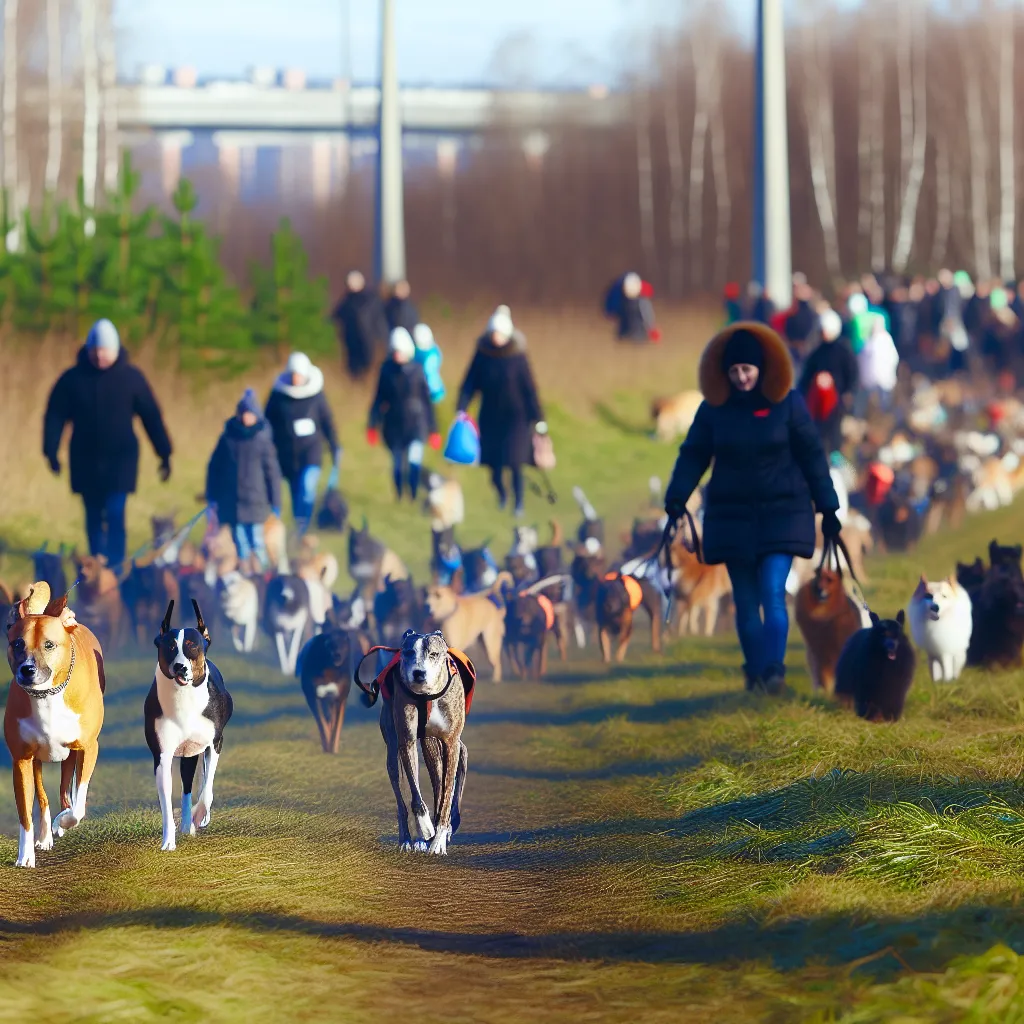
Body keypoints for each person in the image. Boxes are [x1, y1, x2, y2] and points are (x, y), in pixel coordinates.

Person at [664, 323, 840, 694]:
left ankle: (774, 670)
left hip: (783, 514)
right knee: (744, 601)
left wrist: (828, 506)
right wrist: (677, 497)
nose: (741, 377)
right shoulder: (714, 410)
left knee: (772, 591)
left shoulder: (789, 403)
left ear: (762, 367)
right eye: (734, 371)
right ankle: (757, 671)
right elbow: (693, 454)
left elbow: (812, 455)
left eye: (747, 369)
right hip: (732, 518)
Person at [43, 318, 172, 574]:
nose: (100, 355)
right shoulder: (72, 379)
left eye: (105, 350)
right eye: (96, 350)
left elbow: (151, 417)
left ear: (116, 350)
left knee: (115, 514)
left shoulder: (132, 378)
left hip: (120, 463)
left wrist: (164, 453)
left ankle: (116, 569)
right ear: (88, 349)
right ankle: (96, 566)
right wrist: (51, 451)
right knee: (92, 517)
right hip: (85, 461)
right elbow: (55, 415)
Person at [457, 306, 545, 518]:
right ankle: (502, 494)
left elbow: (529, 389)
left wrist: (538, 418)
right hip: (490, 416)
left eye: (500, 334)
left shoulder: (518, 358)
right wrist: (462, 407)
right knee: (493, 464)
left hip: (516, 417)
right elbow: (470, 383)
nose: (497, 338)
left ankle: (518, 503)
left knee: (515, 462)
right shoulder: (482, 356)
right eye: (494, 333)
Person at [264, 352, 341, 535]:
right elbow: (267, 423)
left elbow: (327, 422)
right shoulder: (278, 397)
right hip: (286, 457)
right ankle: (298, 528)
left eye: (299, 375)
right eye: (293, 375)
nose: (296, 378)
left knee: (307, 490)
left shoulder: (317, 396)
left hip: (310, 453)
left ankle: (301, 530)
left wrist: (335, 446)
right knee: (296, 494)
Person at [205, 389, 282, 571]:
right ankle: (246, 571)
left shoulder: (262, 440)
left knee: (257, 541)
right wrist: (212, 496)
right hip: (232, 504)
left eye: (250, 414)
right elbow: (214, 468)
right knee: (240, 542)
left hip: (256, 503)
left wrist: (276, 502)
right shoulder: (227, 439)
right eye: (244, 413)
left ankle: (262, 573)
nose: (247, 418)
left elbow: (272, 474)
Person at [368, 328, 440, 501]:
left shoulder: (417, 370)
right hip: (394, 426)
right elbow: (379, 399)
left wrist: (433, 429)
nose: (397, 355)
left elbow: (427, 401)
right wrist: (372, 424)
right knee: (398, 465)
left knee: (414, 461)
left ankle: (413, 494)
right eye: (395, 352)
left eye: (400, 352)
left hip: (416, 424)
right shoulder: (386, 371)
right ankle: (399, 495)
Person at [798, 309, 858, 457]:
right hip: (818, 403)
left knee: (835, 431)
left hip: (836, 401)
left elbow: (852, 374)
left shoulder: (844, 351)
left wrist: (848, 393)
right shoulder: (818, 352)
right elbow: (806, 376)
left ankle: (835, 456)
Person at [332, 270, 388, 380]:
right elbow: (335, 318)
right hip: (352, 344)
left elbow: (379, 321)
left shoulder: (371, 300)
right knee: (354, 372)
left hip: (370, 343)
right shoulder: (346, 302)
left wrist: (382, 339)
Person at [856, 314, 900, 415]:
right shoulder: (868, 341)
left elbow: (893, 358)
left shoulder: (886, 340)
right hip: (869, 380)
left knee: (884, 404)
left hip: (884, 380)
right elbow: (862, 359)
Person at [604, 272, 657, 342]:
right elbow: (647, 315)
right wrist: (652, 329)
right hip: (636, 335)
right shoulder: (641, 301)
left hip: (629, 334)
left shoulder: (620, 296)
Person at [412, 323, 446, 404]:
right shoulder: (434, 352)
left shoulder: (427, 355)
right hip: (430, 391)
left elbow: (430, 373)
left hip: (431, 392)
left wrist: (434, 392)